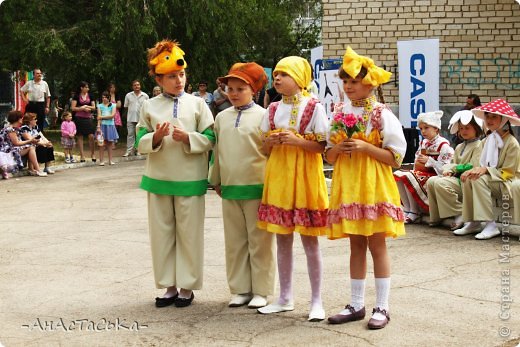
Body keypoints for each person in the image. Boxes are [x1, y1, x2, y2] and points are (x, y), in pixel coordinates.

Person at [325, 46, 406, 330]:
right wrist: (338, 148)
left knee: (377, 244)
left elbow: (395, 158)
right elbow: (328, 155)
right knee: (355, 244)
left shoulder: (382, 114)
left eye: (354, 81)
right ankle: (356, 304)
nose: (348, 86)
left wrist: (364, 146)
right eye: (345, 81)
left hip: (373, 185)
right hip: (349, 185)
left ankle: (382, 306)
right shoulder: (337, 112)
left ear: (370, 82)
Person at [135, 40, 215, 308]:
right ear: (158, 78)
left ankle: (187, 287)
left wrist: (188, 138)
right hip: (158, 180)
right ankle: (168, 286)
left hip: (190, 180)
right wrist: (154, 137)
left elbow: (211, 136)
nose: (178, 80)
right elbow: (139, 139)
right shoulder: (149, 106)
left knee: (190, 235)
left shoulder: (198, 104)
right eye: (171, 76)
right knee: (162, 235)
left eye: (181, 75)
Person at [256, 56, 329, 322]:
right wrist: (273, 142)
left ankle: (317, 300)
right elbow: (264, 148)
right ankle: (285, 297)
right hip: (280, 177)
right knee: (282, 238)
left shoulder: (314, 107)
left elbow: (322, 147)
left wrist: (296, 141)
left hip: (306, 176)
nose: (277, 79)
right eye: (276, 74)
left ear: (299, 78)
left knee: (310, 240)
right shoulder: (272, 109)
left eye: (283, 74)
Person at [208, 62, 275, 309]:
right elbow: (217, 151)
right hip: (230, 188)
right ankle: (240, 289)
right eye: (230, 88)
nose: (233, 93)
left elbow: (270, 154)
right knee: (235, 242)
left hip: (258, 188)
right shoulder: (222, 118)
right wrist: (215, 179)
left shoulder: (264, 116)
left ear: (254, 90)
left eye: (240, 88)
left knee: (260, 242)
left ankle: (261, 290)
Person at [454, 99, 520, 239]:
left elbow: (509, 172)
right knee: (468, 178)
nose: (489, 120)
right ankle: (473, 222)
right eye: (487, 116)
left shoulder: (512, 143)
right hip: (493, 179)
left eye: (494, 117)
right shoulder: (486, 141)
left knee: (478, 180)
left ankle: (490, 225)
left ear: (503, 120)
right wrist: (471, 170)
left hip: (507, 181)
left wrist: (486, 170)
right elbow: (481, 165)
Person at [393, 111, 454, 223]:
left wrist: (429, 161)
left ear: (436, 128)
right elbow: (417, 159)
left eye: (426, 128)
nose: (423, 131)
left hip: (435, 175)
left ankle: (415, 211)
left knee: (408, 176)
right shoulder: (424, 143)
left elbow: (447, 167)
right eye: (421, 129)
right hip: (422, 173)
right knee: (398, 174)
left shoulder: (443, 145)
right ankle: (407, 208)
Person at [427, 110, 484, 230]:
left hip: (466, 180)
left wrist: (453, 170)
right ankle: (437, 216)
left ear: (476, 129)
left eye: (467, 128)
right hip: (456, 177)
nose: (463, 131)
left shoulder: (480, 145)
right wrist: (448, 170)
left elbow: (473, 165)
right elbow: (451, 163)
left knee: (441, 183)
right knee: (431, 181)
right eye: (461, 128)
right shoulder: (460, 146)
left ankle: (461, 213)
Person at [1, 110, 46, 176]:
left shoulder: (16, 128)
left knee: (31, 146)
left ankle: (32, 169)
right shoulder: (10, 129)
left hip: (11, 149)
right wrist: (30, 141)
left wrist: (33, 140)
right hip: (8, 151)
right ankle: (37, 170)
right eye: (21, 117)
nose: (22, 119)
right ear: (17, 119)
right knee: (31, 147)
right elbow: (16, 143)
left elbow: (27, 137)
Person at [71, 81, 96, 162]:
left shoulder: (90, 95)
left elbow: (94, 107)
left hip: (88, 118)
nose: (88, 89)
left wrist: (87, 106)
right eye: (86, 87)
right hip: (79, 118)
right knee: (80, 136)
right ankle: (82, 155)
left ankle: (93, 154)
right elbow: (73, 108)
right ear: (81, 88)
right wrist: (82, 108)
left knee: (91, 136)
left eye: (88, 87)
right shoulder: (76, 96)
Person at [123, 80, 149, 157]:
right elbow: (126, 107)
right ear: (132, 87)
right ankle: (129, 151)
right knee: (130, 134)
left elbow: (147, 108)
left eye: (138, 85)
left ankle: (139, 150)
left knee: (139, 135)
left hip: (141, 119)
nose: (136, 86)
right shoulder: (128, 95)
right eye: (135, 85)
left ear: (140, 86)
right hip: (130, 118)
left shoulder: (145, 96)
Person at [96, 91, 119, 165]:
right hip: (102, 126)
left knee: (110, 143)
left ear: (109, 98)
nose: (104, 98)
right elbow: (98, 117)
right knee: (101, 143)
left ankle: (110, 160)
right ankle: (101, 161)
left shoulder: (113, 105)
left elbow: (112, 115)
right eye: (103, 97)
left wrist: (101, 117)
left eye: (105, 97)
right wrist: (98, 126)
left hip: (111, 126)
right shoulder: (99, 106)